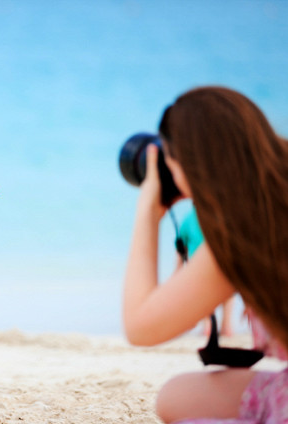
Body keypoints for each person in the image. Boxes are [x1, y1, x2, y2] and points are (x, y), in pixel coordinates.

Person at [123, 86, 288, 423]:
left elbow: (141, 328)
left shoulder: (247, 228)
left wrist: (148, 211)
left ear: (191, 165)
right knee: (177, 397)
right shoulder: (274, 195)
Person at [178, 207, 235, 337]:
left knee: (205, 295)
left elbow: (180, 251)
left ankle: (209, 327)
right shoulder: (223, 213)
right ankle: (225, 326)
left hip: (199, 267)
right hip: (222, 263)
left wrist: (177, 273)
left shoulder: (188, 220)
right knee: (227, 291)